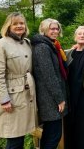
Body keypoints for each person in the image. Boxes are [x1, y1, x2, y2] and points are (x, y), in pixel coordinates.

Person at [0, 12, 37, 149]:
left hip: (27, 95)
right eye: (15, 23)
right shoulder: (0, 45)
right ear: (8, 26)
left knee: (21, 136)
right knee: (14, 139)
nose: (19, 26)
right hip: (12, 97)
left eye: (21, 23)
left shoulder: (27, 43)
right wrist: (4, 99)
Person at [31, 18, 68, 149]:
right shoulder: (42, 47)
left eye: (57, 28)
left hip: (51, 97)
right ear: (44, 30)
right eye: (52, 28)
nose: (55, 31)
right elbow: (49, 76)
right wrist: (59, 99)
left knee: (49, 134)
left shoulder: (52, 45)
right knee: (54, 136)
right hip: (50, 99)